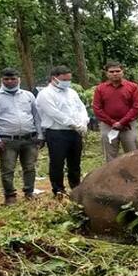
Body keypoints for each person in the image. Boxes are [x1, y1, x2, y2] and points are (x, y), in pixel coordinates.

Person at [0, 68, 43, 205]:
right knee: (8, 169)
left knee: (30, 167)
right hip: (6, 140)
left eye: (13, 79)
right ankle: (10, 195)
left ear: (18, 79)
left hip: (29, 138)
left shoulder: (28, 96)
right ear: (1, 80)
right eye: (6, 79)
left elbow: (36, 116)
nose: (10, 82)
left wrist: (40, 134)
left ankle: (29, 192)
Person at [36, 66, 90, 196]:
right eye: (64, 79)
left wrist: (83, 121)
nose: (67, 82)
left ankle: (76, 188)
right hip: (56, 132)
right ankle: (59, 190)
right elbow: (54, 113)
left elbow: (81, 108)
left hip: (75, 133)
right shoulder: (45, 94)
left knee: (75, 162)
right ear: (54, 78)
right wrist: (73, 124)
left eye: (69, 79)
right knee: (57, 162)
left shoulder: (71, 92)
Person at [92, 61, 138, 162]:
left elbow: (136, 107)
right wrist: (112, 122)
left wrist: (122, 122)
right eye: (111, 71)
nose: (115, 73)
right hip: (108, 125)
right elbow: (97, 108)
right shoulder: (100, 88)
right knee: (110, 155)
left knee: (133, 153)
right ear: (107, 73)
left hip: (128, 125)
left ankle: (135, 175)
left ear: (122, 72)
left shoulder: (133, 87)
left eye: (117, 71)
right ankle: (112, 177)